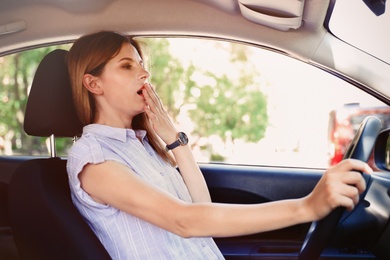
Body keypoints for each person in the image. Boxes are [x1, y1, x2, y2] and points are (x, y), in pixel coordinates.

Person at [66, 31, 372, 260]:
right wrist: (306, 207)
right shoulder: (94, 158)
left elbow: (200, 210)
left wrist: (173, 139)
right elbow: (182, 220)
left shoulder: (141, 145)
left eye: (141, 64)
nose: (144, 73)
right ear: (94, 84)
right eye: (127, 66)